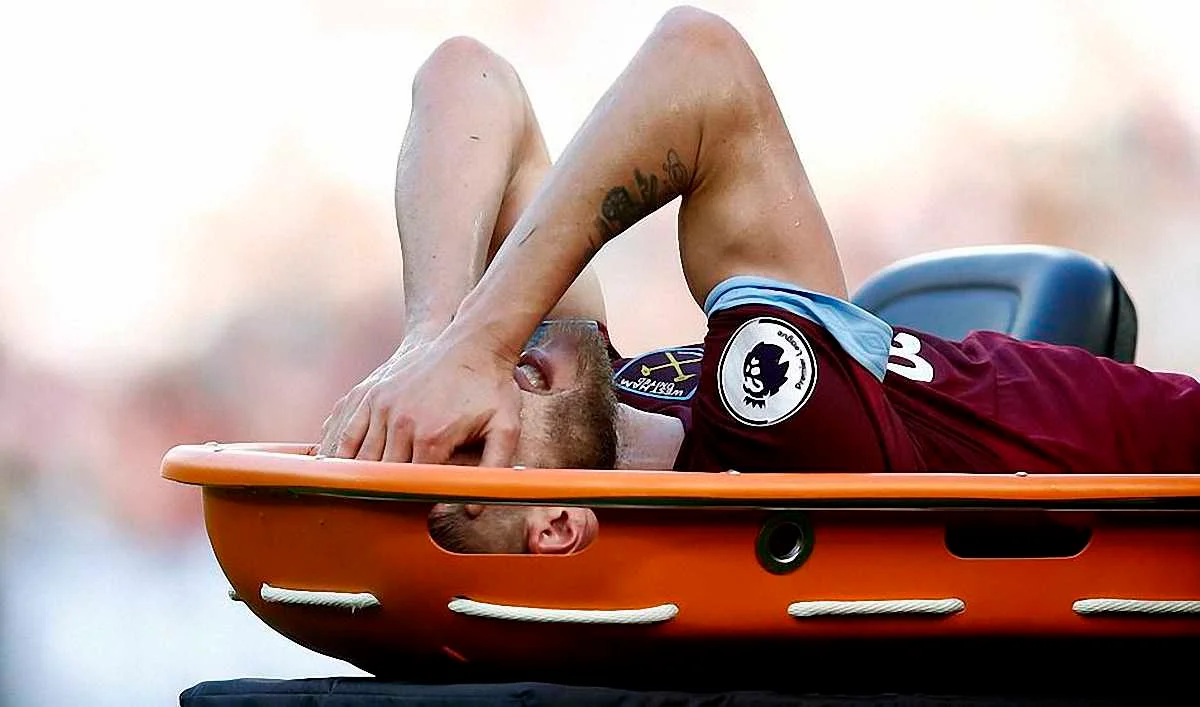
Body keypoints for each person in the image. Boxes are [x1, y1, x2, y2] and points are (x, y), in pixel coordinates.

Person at [316, 7, 1200, 554]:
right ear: (557, 525)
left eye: (429, 417)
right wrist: (476, 348)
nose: (464, 404)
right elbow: (704, 61)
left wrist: (434, 341)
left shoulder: (595, 399)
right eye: (469, 442)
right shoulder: (765, 428)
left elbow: (468, 75)